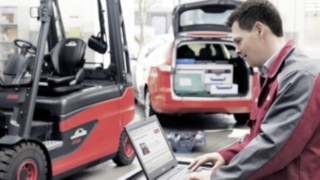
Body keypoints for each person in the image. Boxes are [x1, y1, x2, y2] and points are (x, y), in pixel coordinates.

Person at [186, 0, 320, 179]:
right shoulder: (270, 74)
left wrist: (217, 177)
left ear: (259, 29)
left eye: (238, 41)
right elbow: (258, 135)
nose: (237, 51)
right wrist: (226, 155)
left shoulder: (300, 76)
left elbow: (273, 146)